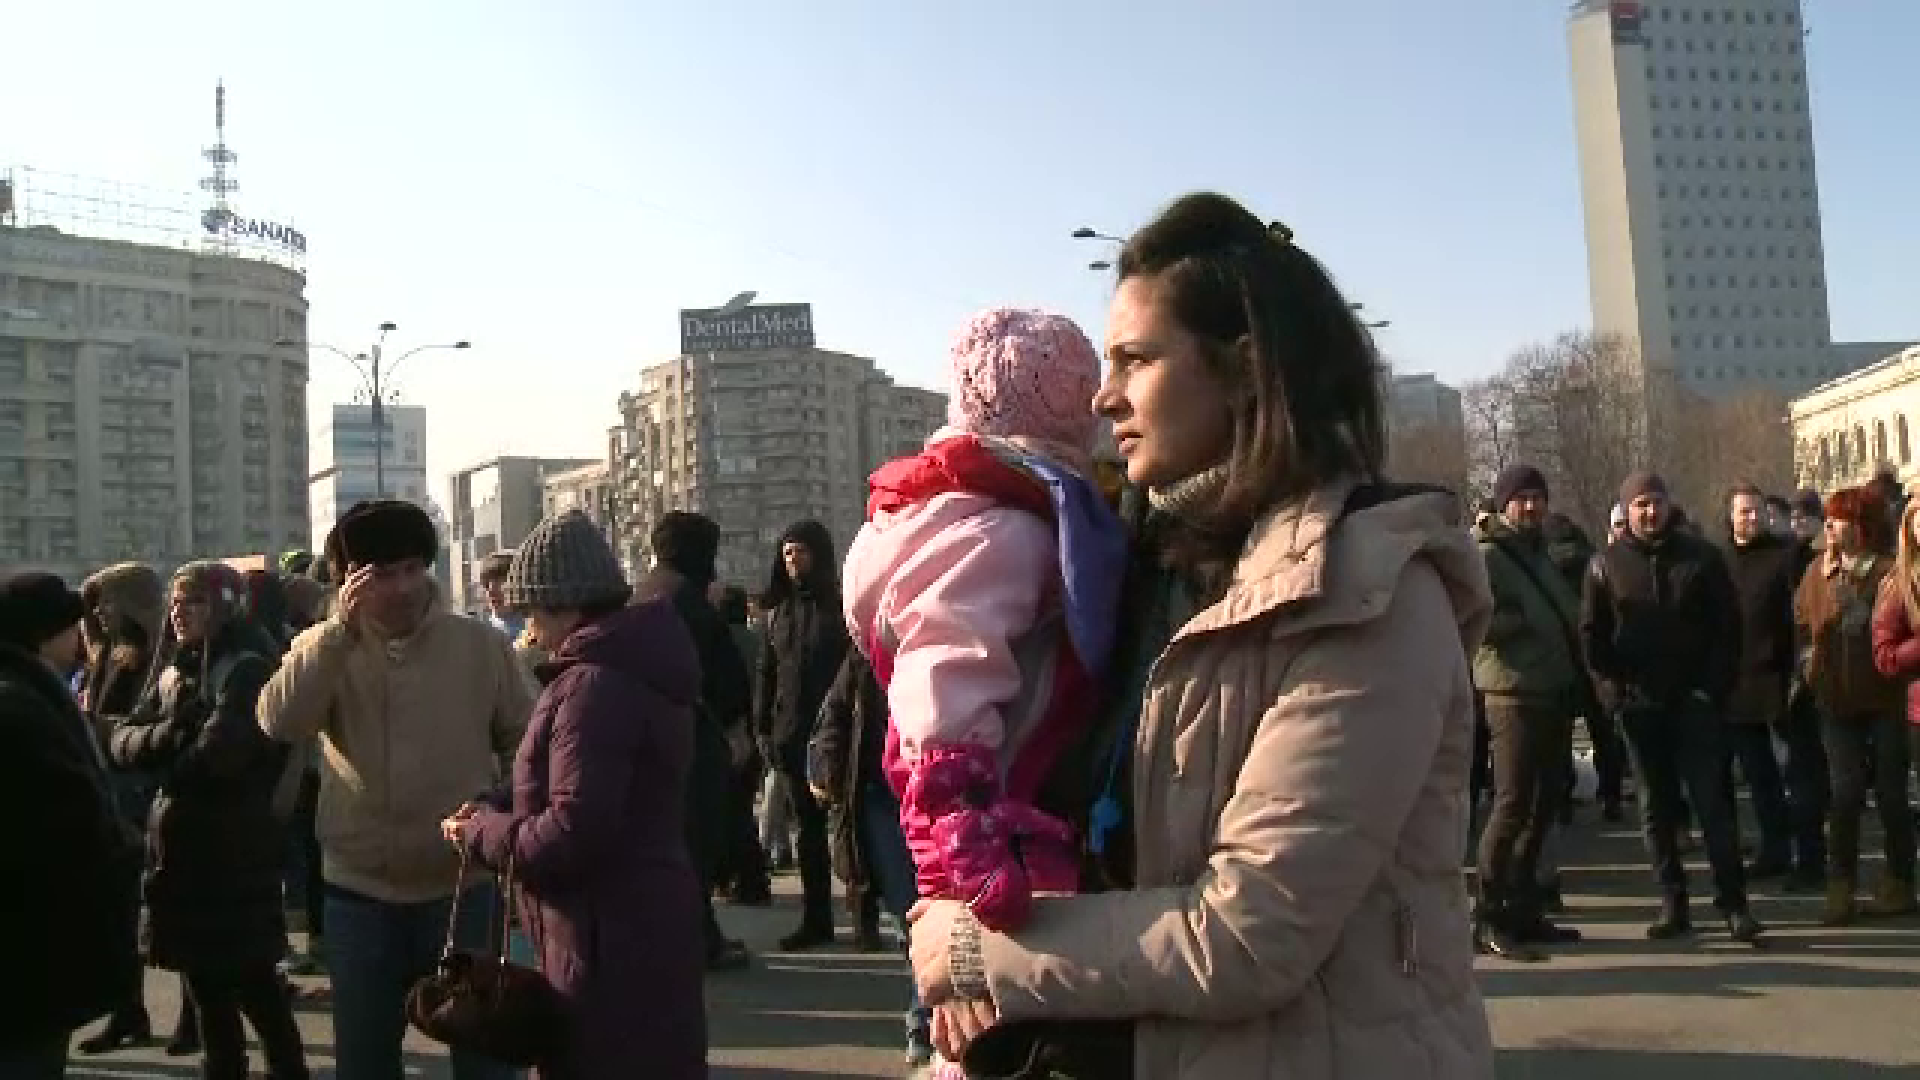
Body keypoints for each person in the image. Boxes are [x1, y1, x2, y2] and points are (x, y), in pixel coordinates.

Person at [908, 192, 1495, 1078]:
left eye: (1135, 360)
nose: (1106, 397)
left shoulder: (1369, 596)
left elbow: (1249, 933)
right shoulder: (1128, 574)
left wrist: (977, 949)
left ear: (1244, 370)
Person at [843, 308, 1127, 939]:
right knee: (986, 981)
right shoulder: (1004, 534)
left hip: (985, 791)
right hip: (984, 813)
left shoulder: (952, 512)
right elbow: (946, 674)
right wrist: (957, 824)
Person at [257, 499, 533, 1080]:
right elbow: (279, 722)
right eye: (381, 574)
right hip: (359, 892)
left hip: (463, 887)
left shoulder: (479, 647)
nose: (402, 587)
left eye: (413, 568)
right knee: (365, 1060)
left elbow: (529, 742)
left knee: (484, 1057)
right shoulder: (323, 648)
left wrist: (499, 808)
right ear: (348, 580)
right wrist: (336, 637)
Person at [447, 509, 707, 1080]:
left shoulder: (592, 687)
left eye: (533, 615)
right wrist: (497, 805)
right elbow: (575, 788)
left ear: (567, 605)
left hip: (605, 943)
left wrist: (479, 832)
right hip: (629, 929)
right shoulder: (624, 670)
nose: (529, 633)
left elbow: (571, 833)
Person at [109, 563, 309, 1080]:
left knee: (254, 983)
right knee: (205, 986)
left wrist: (162, 748)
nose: (179, 612)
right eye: (176, 602)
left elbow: (218, 757)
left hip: (232, 850)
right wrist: (173, 734)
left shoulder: (245, 667)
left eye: (193, 601)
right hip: (181, 850)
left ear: (224, 604)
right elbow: (121, 738)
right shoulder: (177, 666)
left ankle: (289, 1071)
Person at [1583, 471, 1760, 943]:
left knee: (1713, 806)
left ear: (1668, 506)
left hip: (1695, 704)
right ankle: (1673, 903)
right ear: (1628, 510)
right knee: (1655, 809)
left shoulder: (1701, 559)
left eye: (1656, 501)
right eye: (1640, 503)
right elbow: (1592, 638)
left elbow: (1728, 628)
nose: (1649, 511)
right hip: (1640, 709)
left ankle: (1734, 903)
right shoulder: (1606, 565)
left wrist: (1712, 689)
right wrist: (1612, 694)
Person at [0, 572, 142, 1080]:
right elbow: (73, 834)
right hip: (28, 959)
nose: (82, 634)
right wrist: (125, 851)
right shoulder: (21, 709)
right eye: (72, 626)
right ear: (43, 633)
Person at [1470, 465, 1586, 961]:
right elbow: (1476, 617)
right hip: (1512, 691)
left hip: (1550, 688)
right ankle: (1489, 912)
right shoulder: (1488, 555)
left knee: (1544, 803)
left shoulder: (1537, 553)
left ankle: (1524, 907)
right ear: (1503, 504)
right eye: (1521, 499)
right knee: (1512, 802)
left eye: (1538, 497)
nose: (1531, 507)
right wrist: (1522, 622)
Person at [637, 510, 758, 969]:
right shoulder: (687, 601)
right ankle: (697, 940)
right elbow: (724, 676)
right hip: (695, 739)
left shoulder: (644, 594)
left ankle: (695, 934)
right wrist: (737, 731)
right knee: (699, 842)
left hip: (654, 739)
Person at [73, 563, 184, 1056]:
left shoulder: (161, 656)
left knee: (170, 912)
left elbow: (159, 724)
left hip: (147, 794)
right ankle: (127, 1012)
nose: (100, 610)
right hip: (113, 794)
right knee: (122, 915)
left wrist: (103, 727)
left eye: (108, 599)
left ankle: (192, 1018)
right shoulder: (106, 654)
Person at [808, 648, 933, 1067]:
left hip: (943, 789)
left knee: (934, 908)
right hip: (883, 798)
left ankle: (927, 1016)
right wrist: (827, 766)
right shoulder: (867, 649)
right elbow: (836, 713)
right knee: (908, 914)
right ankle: (925, 1015)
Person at [1805, 488, 1915, 923]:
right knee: (1845, 794)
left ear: (1862, 526)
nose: (1829, 527)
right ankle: (1840, 886)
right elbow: (1800, 618)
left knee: (1891, 795)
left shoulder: (1889, 573)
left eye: (1838, 520)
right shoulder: (1818, 572)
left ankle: (1899, 881)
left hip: (1886, 698)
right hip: (1836, 701)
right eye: (1828, 520)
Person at [753, 519, 850, 951]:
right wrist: (764, 729)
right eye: (788, 553)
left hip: (837, 735)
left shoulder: (841, 607)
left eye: (802, 552)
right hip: (790, 738)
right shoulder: (781, 614)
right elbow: (767, 675)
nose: (794, 561)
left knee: (851, 829)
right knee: (806, 835)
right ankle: (817, 920)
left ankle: (866, 915)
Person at [1720, 484, 1801, 883]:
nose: (1751, 519)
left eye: (1757, 512)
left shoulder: (1783, 558)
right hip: (1736, 684)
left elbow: (1796, 618)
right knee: (1756, 774)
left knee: (1796, 773)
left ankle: (1802, 849)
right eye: (1744, 513)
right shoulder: (1717, 562)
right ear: (1730, 517)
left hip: (1779, 679)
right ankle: (1771, 847)